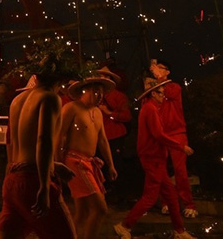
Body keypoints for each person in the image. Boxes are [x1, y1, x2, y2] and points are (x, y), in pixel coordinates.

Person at [0, 54, 78, 239]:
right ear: (58, 81)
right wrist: (44, 186)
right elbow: (43, 140)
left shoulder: (17, 100)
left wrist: (53, 165)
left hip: (12, 181)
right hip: (33, 181)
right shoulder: (49, 98)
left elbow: (21, 143)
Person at [114, 77, 194, 239]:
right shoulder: (150, 109)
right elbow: (158, 135)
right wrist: (180, 146)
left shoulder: (151, 108)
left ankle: (179, 231)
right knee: (150, 197)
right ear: (152, 94)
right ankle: (124, 226)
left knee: (170, 196)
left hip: (155, 157)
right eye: (160, 92)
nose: (163, 95)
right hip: (152, 158)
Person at [60, 74, 118, 238]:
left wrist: (111, 165)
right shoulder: (71, 108)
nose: (99, 95)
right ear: (83, 90)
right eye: (95, 91)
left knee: (83, 211)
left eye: (101, 92)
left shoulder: (98, 112)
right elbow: (60, 136)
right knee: (100, 209)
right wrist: (58, 163)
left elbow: (103, 140)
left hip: (90, 162)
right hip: (75, 162)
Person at [150, 59, 197, 218]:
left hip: (177, 133)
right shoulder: (154, 90)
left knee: (180, 171)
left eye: (160, 68)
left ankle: (188, 204)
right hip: (160, 134)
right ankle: (166, 202)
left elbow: (168, 93)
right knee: (161, 170)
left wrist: (158, 79)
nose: (157, 71)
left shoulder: (174, 87)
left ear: (167, 71)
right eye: (156, 68)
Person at [96, 66, 132, 204]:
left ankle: (121, 197)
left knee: (116, 166)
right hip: (98, 137)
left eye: (106, 77)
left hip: (114, 136)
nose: (103, 79)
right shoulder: (94, 95)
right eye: (101, 76)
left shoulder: (118, 96)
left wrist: (110, 113)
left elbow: (126, 116)